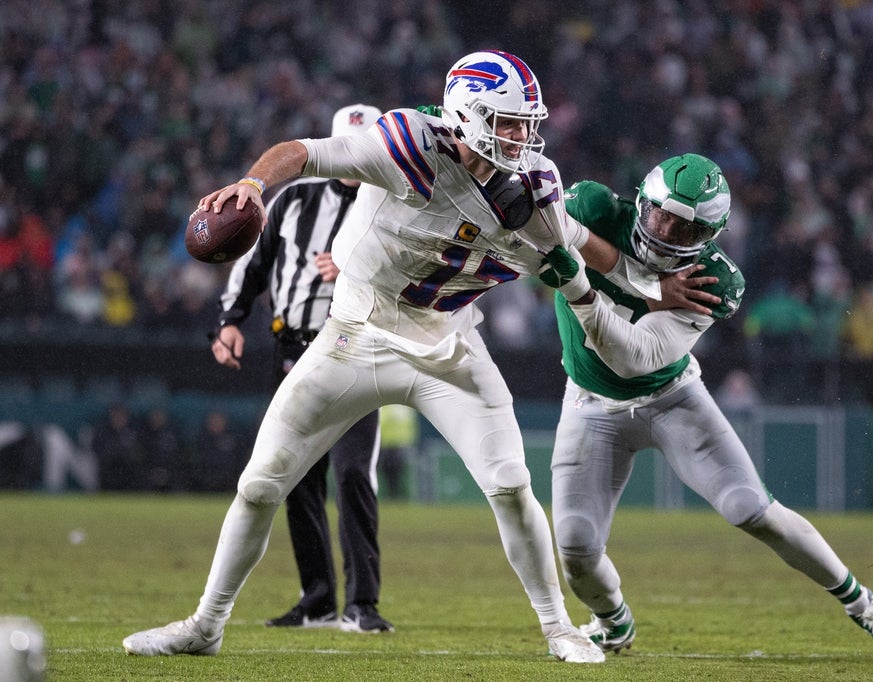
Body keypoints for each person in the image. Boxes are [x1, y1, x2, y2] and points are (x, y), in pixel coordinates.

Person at [121, 50, 653, 664]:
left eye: (525, 122)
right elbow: (303, 151)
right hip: (354, 335)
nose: (521, 136)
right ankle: (205, 625)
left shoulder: (531, 186)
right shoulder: (405, 144)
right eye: (507, 122)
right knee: (260, 483)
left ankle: (559, 627)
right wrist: (252, 185)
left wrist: (621, 293)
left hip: (447, 346)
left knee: (510, 484)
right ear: (469, 115)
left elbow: (567, 255)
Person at [536, 154, 873, 660]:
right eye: (661, 215)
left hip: (670, 398)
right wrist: (645, 285)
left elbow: (634, 356)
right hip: (590, 402)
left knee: (752, 509)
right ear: (643, 199)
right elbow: (545, 233)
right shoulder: (592, 204)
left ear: (710, 236)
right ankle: (613, 623)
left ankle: (866, 605)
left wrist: (581, 283)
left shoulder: (715, 280)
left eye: (684, 228)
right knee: (575, 549)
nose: (666, 231)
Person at [209, 104, 393, 633]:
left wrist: (360, 264)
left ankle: (363, 603)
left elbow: (421, 269)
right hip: (293, 349)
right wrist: (229, 320)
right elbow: (253, 260)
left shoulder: (396, 203)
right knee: (294, 477)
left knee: (355, 473)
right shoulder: (292, 199)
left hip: (359, 350)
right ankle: (317, 599)